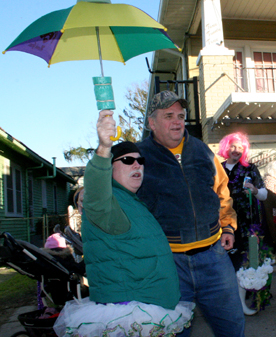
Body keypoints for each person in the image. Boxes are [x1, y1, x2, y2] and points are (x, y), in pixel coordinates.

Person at [54, 110, 194, 337]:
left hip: (155, 304)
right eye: (128, 160)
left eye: (141, 161)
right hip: (132, 315)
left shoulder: (132, 201)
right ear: (110, 167)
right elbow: (97, 192)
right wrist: (103, 148)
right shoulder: (106, 200)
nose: (137, 165)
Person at [136, 91, 245, 337]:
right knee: (174, 332)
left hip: (214, 258)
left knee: (233, 328)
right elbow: (120, 195)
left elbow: (222, 192)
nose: (177, 121)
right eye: (168, 116)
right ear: (152, 123)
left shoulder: (203, 151)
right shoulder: (138, 156)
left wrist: (228, 226)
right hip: (168, 264)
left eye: (180, 116)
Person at [218, 132, 272, 315]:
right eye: (233, 146)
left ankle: (241, 304)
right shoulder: (218, 169)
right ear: (226, 147)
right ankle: (227, 304)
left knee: (244, 263)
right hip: (223, 224)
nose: (236, 150)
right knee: (226, 264)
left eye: (240, 147)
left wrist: (255, 190)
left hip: (247, 224)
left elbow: (264, 195)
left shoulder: (250, 169)